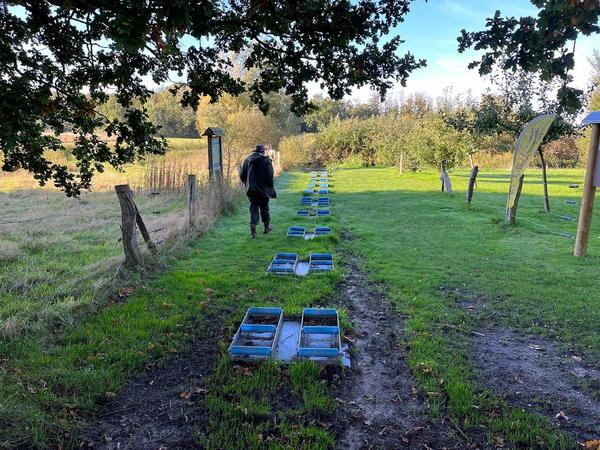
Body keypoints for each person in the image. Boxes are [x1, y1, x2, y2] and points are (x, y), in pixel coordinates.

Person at [239, 144, 277, 238]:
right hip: (263, 190)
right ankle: (266, 227)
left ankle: (253, 232)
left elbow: (242, 175)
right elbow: (269, 176)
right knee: (264, 208)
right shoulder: (266, 161)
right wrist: (270, 187)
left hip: (251, 190)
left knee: (253, 209)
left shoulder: (248, 160)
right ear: (263, 151)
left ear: (255, 151)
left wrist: (247, 184)